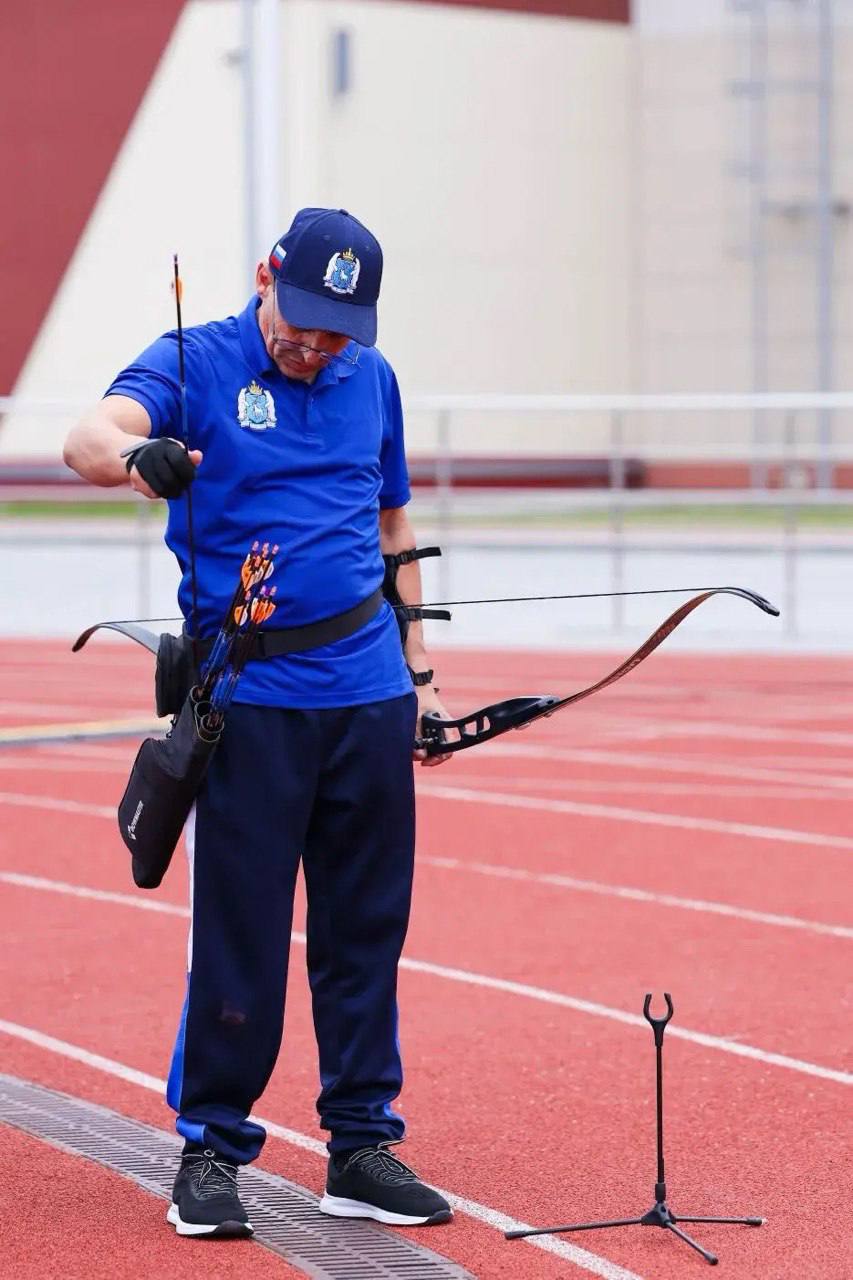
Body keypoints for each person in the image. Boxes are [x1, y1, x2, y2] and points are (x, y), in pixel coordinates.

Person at [63, 207, 455, 1237]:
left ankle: (362, 1143)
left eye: (339, 326)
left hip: (368, 694)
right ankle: (211, 1147)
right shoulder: (199, 358)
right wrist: (137, 460)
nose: (315, 342)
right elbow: (87, 437)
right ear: (263, 277)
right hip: (254, 704)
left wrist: (419, 673)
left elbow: (391, 522)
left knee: (365, 928)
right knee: (240, 934)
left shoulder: (370, 378)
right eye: (304, 317)